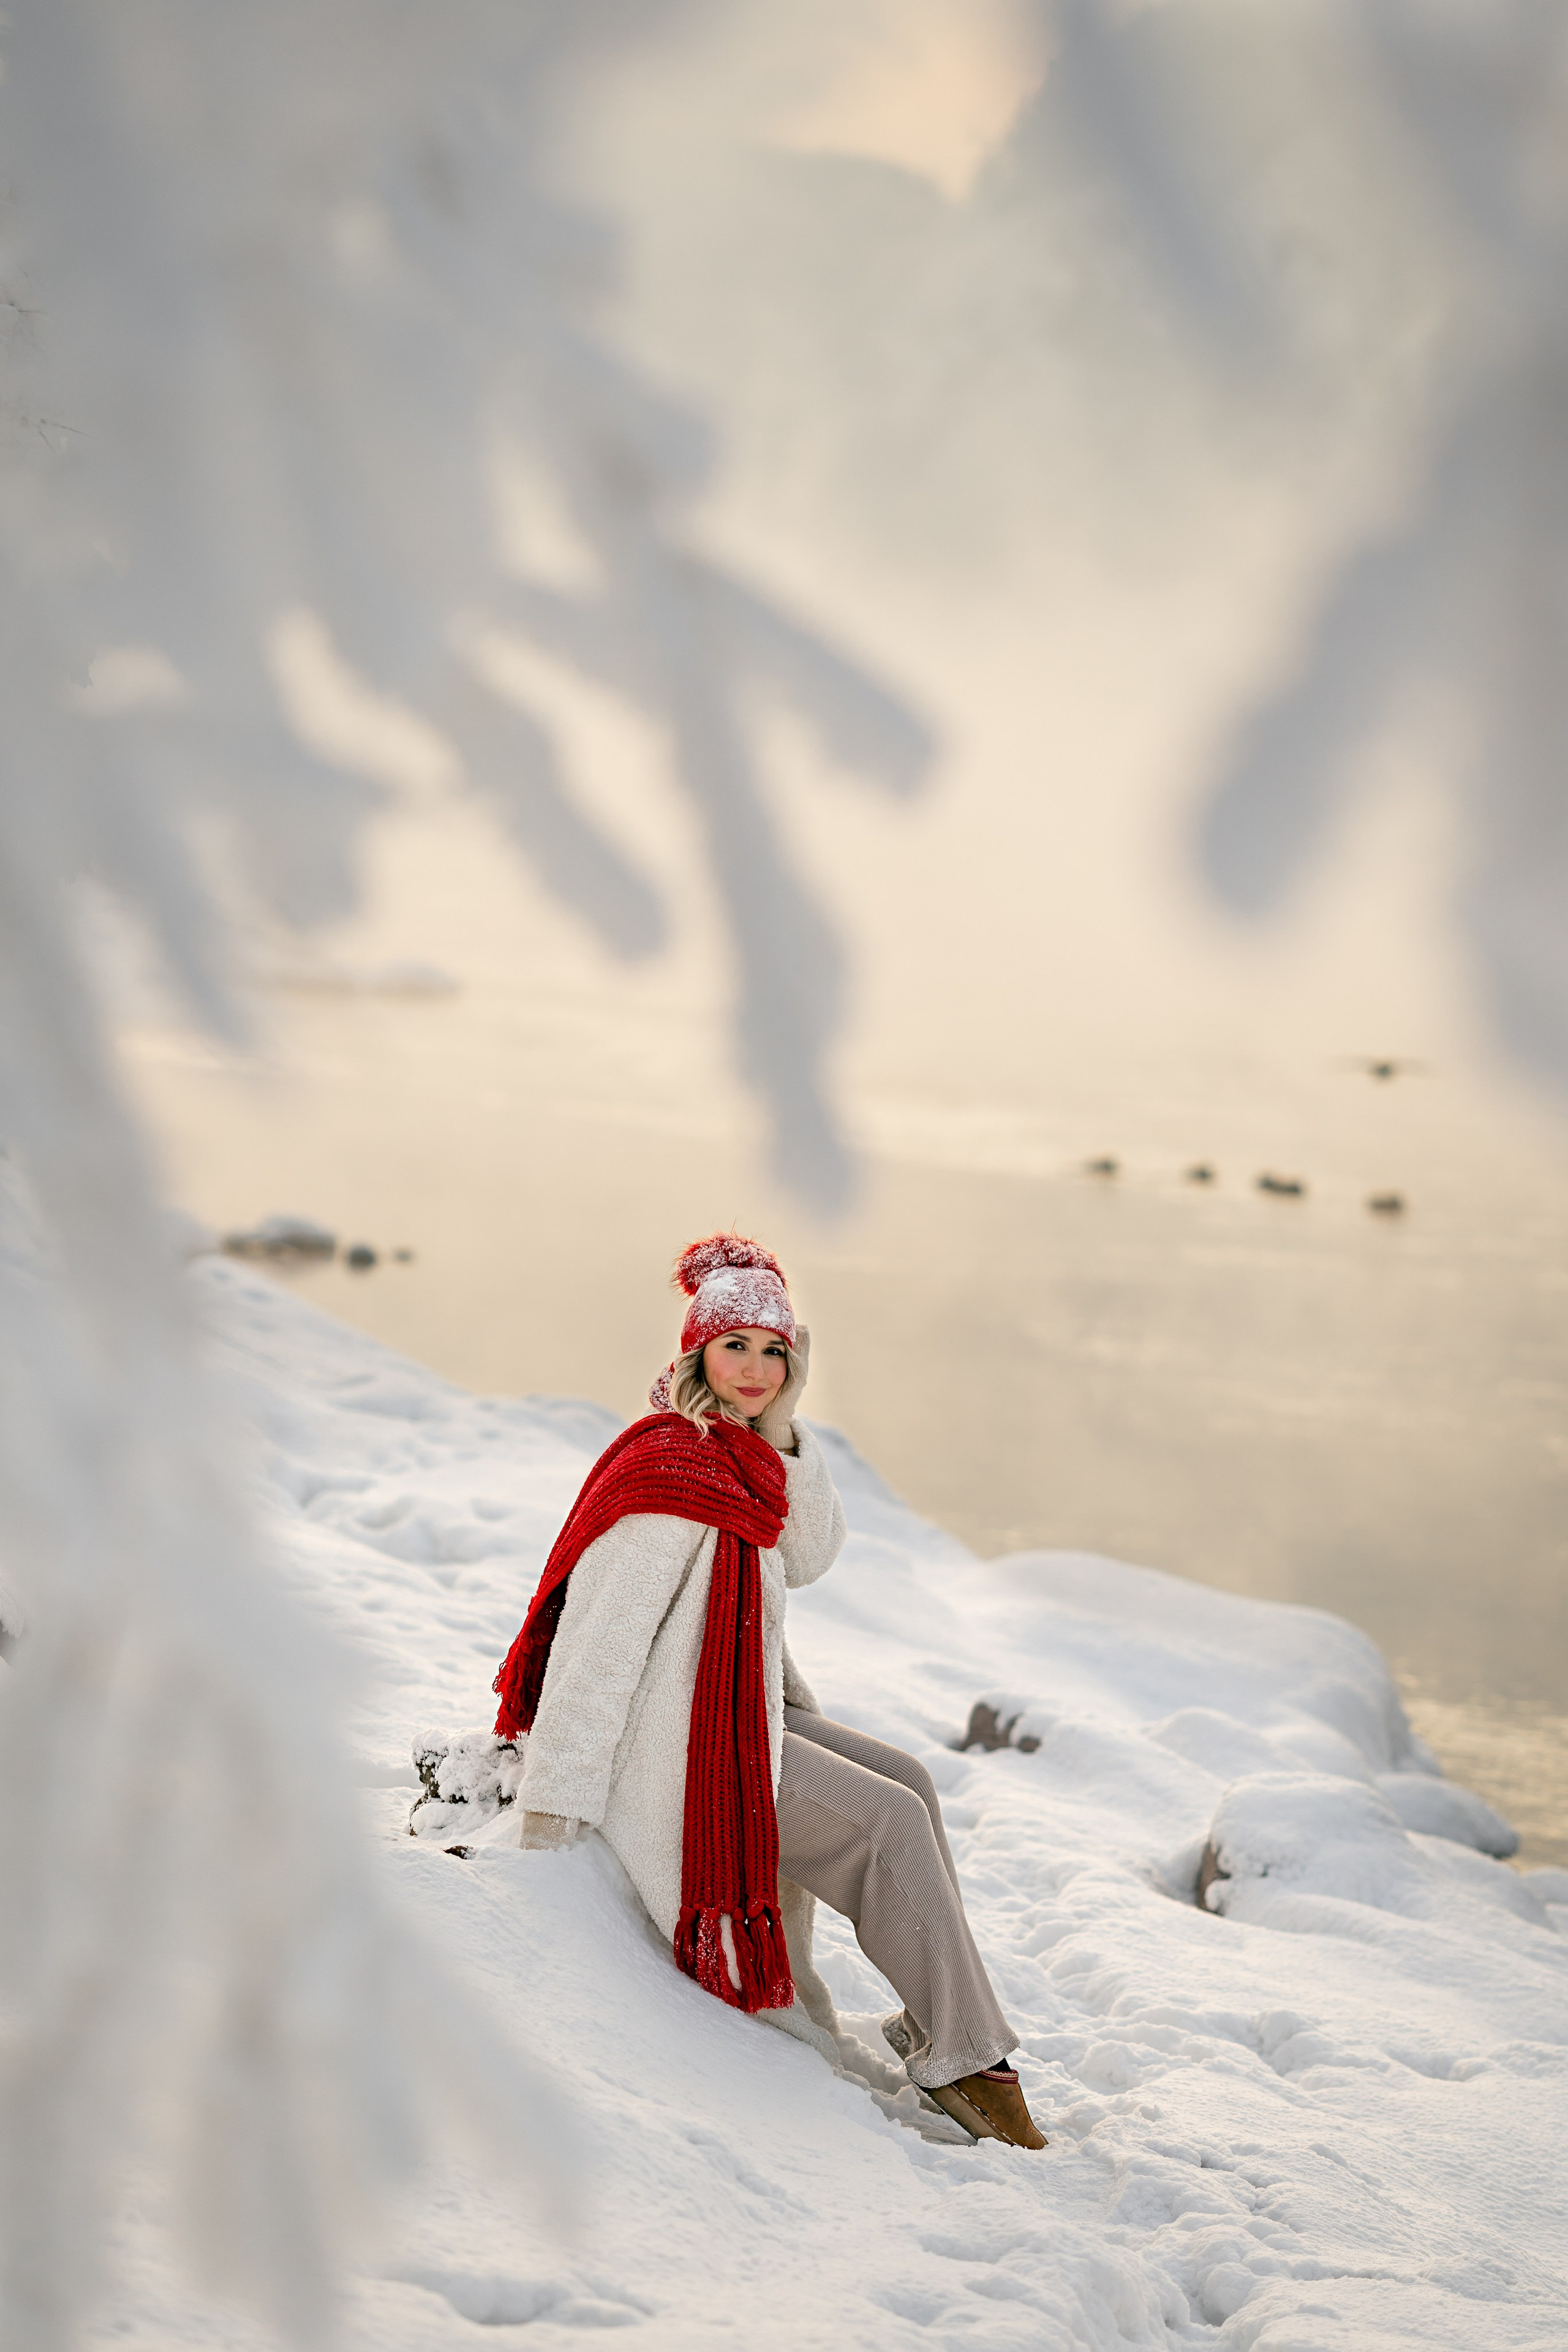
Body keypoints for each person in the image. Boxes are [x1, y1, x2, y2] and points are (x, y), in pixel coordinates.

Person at [493, 1232, 1047, 2150]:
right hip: (665, 1753)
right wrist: (555, 1812)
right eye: (736, 1346)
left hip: (734, 1714)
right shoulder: (672, 1470)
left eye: (774, 1351)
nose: (754, 1369)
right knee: (886, 1824)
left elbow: (809, 1553)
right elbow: (596, 1653)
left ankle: (940, 2022)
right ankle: (968, 2060)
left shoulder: (746, 1452)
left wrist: (785, 1431)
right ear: (697, 1352)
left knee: (908, 1779)